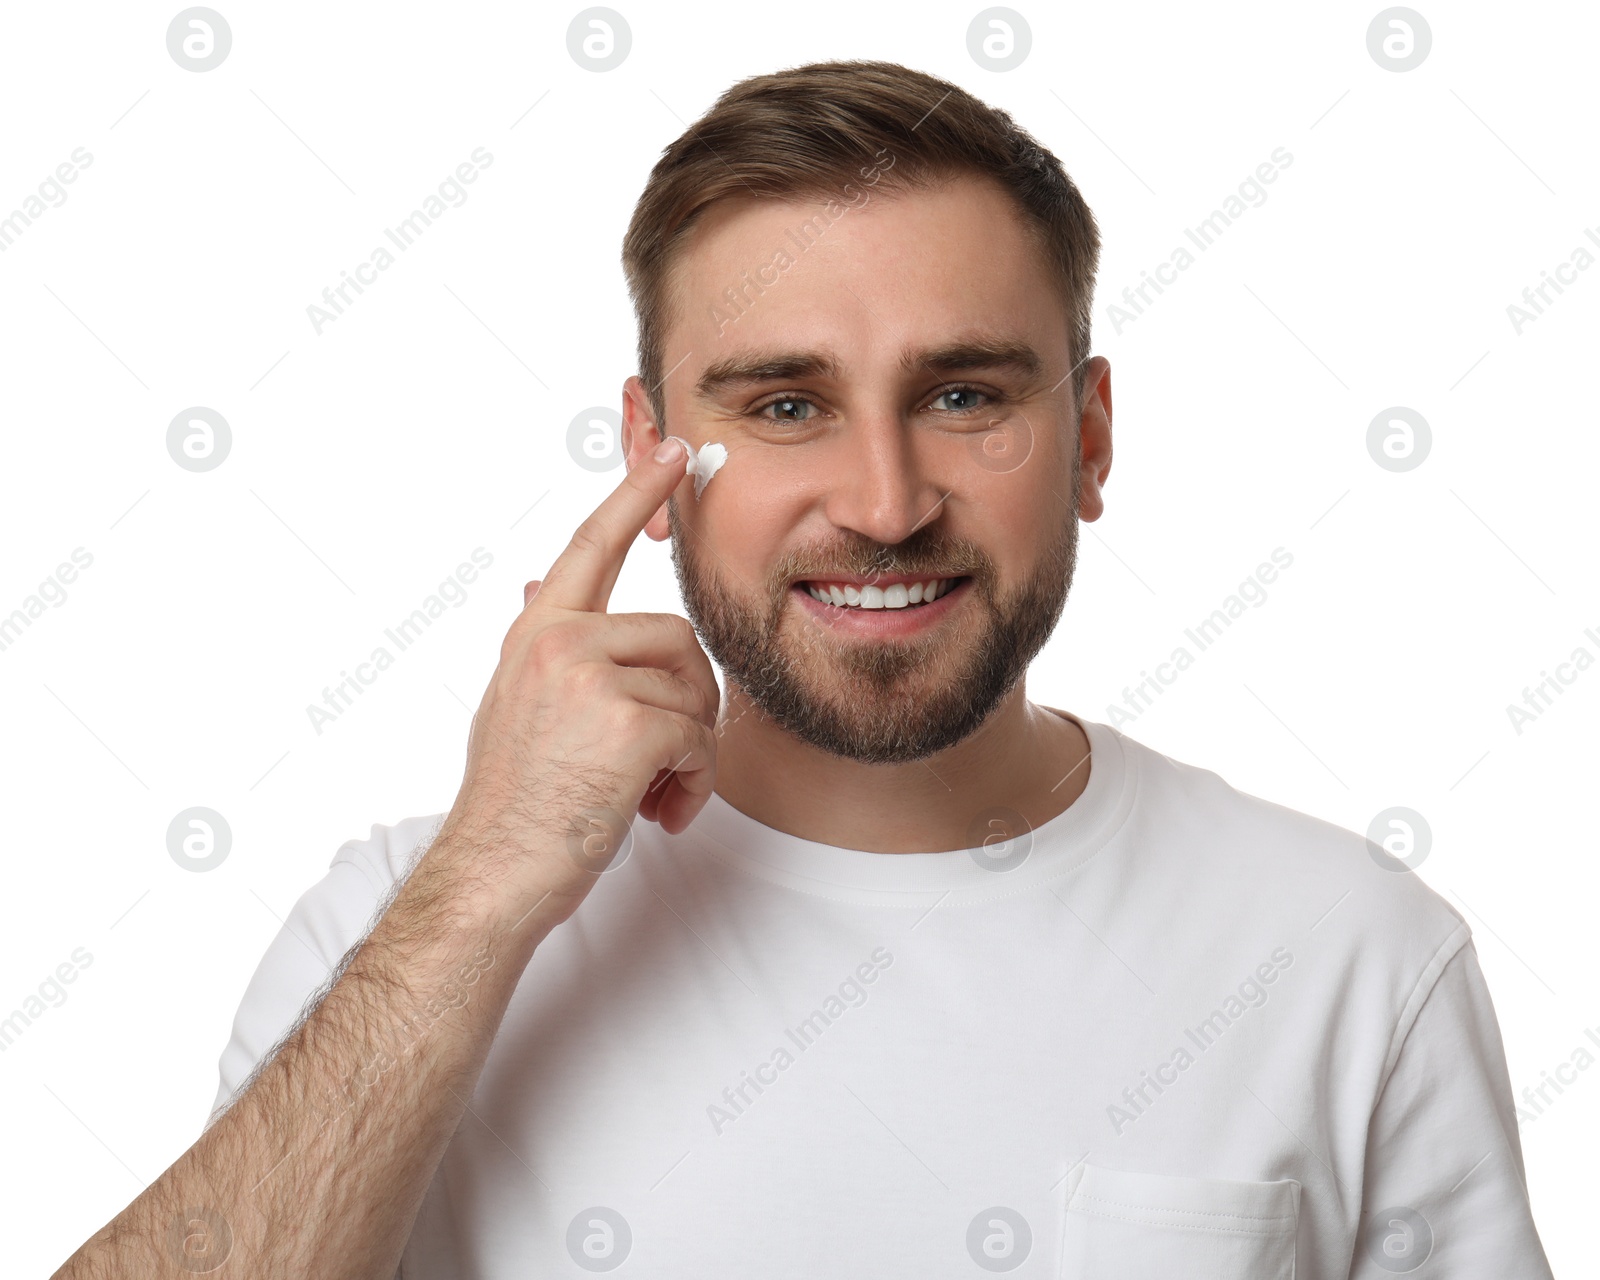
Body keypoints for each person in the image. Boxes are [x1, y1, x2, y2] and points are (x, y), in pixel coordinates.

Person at [55, 59, 1553, 1279]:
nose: (887, 500)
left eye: (965, 394)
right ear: (654, 455)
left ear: (1090, 437)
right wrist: (496, 868)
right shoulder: (403, 932)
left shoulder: (1352, 955)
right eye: (783, 406)